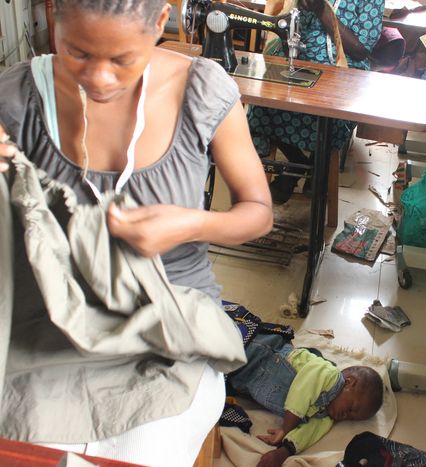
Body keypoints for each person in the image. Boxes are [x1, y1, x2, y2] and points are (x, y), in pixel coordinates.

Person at [0, 0, 272, 465]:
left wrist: (190, 223)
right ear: (55, 25)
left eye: (122, 60)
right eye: (77, 53)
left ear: (160, 24)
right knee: (30, 450)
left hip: (168, 319)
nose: (99, 79)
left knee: (145, 452)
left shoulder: (201, 91)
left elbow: (258, 212)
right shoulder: (17, 96)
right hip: (50, 318)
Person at [247, 0, 385, 204]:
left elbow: (361, 48)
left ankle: (309, 166)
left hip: (342, 64)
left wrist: (322, 11)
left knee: (330, 115)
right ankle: (301, 164)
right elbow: (280, 18)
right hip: (297, 56)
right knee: (262, 105)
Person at [227, 333, 384, 467]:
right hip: (261, 354)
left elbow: (308, 434)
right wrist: (286, 428)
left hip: (245, 379)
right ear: (349, 382)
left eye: (351, 418)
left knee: (218, 376)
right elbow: (301, 391)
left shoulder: (326, 417)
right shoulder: (328, 375)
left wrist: (283, 452)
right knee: (222, 341)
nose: (345, 416)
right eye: (351, 408)